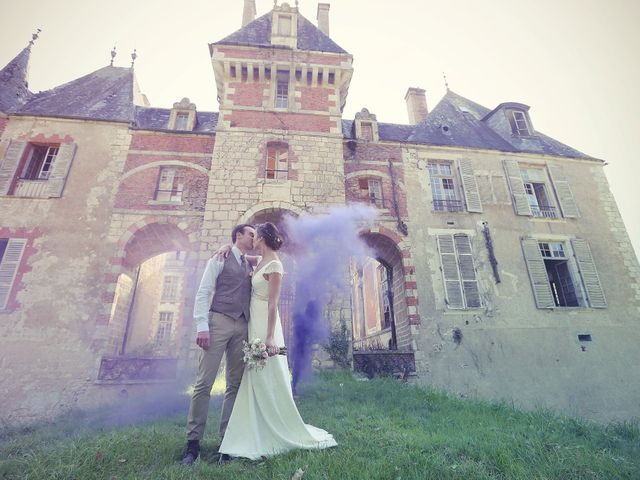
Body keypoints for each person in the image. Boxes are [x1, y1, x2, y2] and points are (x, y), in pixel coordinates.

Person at [217, 222, 337, 461]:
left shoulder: (275, 266)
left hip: (265, 324)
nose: (252, 239)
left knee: (266, 371)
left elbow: (273, 304)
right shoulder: (258, 261)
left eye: (255, 236)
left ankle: (272, 424)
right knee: (253, 374)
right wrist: (226, 247)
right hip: (253, 321)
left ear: (261, 238)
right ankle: (253, 423)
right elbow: (240, 256)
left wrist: (270, 337)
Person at [180, 224, 256, 466]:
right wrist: (202, 325)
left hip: (242, 326)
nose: (254, 238)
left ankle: (227, 443)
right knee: (204, 383)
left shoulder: (249, 262)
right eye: (251, 234)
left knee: (234, 385)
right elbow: (203, 291)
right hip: (218, 321)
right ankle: (193, 445)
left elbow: (269, 253)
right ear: (238, 236)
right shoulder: (219, 258)